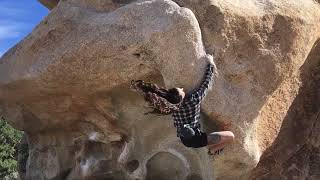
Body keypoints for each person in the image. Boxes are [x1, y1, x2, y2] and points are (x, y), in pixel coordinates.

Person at [130, 54, 234, 155]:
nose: (182, 89)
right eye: (181, 91)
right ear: (181, 97)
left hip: (185, 138)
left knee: (217, 136)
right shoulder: (192, 101)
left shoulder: (171, 106)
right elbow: (205, 85)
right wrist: (210, 64)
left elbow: (163, 94)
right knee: (231, 136)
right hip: (196, 140)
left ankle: (211, 147)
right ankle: (212, 151)